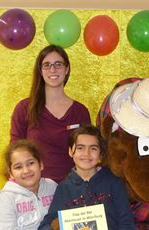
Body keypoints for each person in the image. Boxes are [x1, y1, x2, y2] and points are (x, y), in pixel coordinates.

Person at [10, 44, 91, 183]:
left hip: (72, 189)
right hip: (35, 189)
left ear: (67, 69)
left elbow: (88, 155)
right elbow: (14, 153)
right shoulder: (24, 108)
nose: (52, 69)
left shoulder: (80, 112)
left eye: (58, 64)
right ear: (40, 71)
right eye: (46, 65)